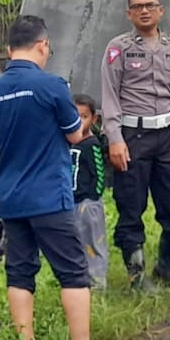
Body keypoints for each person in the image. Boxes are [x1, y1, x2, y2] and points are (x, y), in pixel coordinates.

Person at [0, 15, 121, 340]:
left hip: (11, 197)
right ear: (43, 45)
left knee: (20, 271)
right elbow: (76, 135)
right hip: (48, 196)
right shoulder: (52, 86)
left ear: (8, 49)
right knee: (74, 271)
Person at [100, 0, 170, 292]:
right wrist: (114, 139)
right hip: (132, 137)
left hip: (169, 136)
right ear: (129, 13)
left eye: (150, 5)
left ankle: (168, 268)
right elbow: (110, 97)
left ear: (161, 10)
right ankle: (137, 276)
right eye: (138, 7)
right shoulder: (119, 49)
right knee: (131, 207)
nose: (144, 11)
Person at [70, 94, 110, 289]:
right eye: (74, 116)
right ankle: (79, 279)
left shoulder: (91, 144)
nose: (78, 121)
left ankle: (97, 281)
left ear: (93, 119)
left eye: (83, 117)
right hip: (71, 201)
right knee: (75, 241)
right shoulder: (69, 142)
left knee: (93, 241)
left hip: (87, 202)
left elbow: (99, 173)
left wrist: (93, 197)